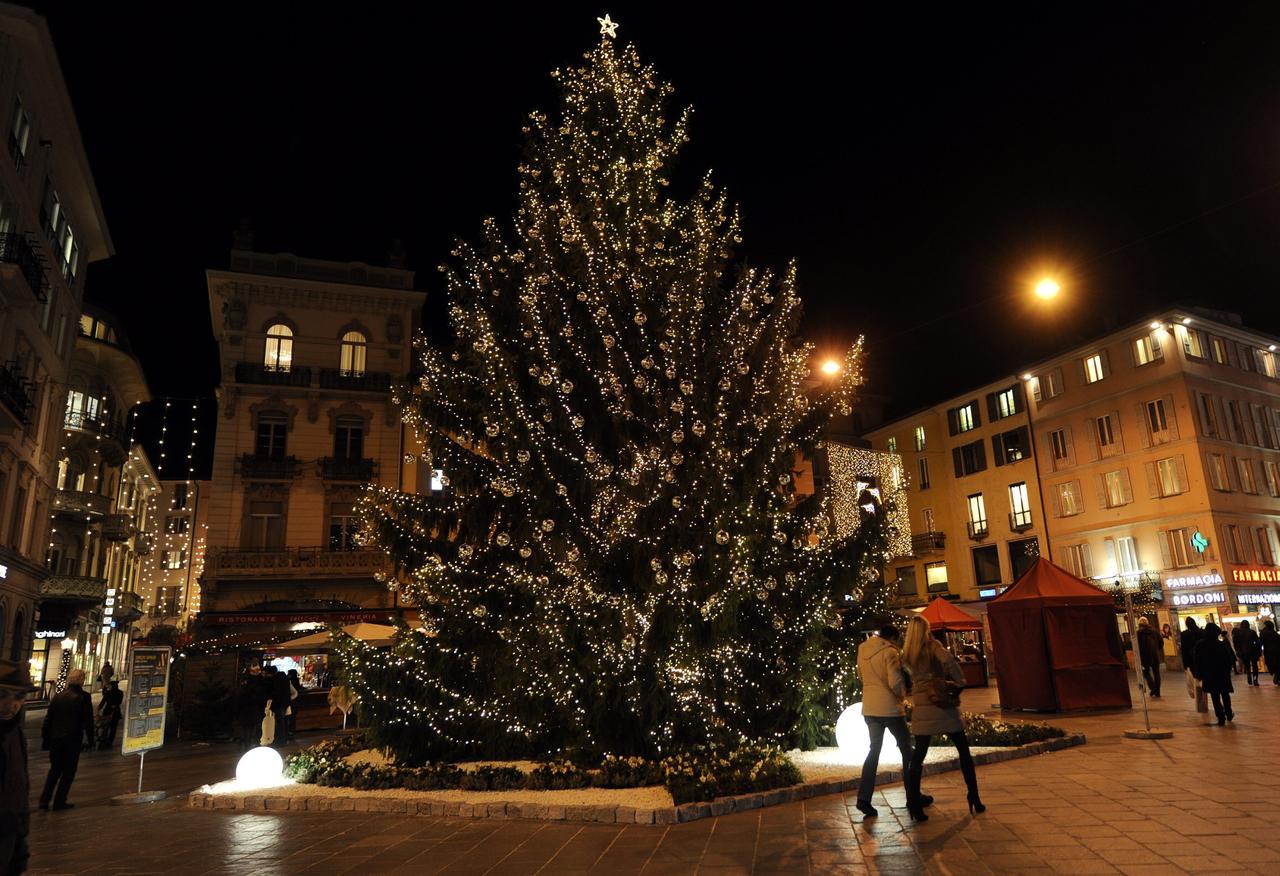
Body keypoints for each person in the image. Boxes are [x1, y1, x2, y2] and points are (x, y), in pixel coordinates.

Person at [902, 615, 982, 822]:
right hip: (940, 703)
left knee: (918, 757)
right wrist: (960, 681)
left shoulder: (908, 652)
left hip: (922, 705)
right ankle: (974, 796)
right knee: (963, 751)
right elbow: (948, 660)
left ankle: (913, 803)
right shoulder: (932, 645)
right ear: (926, 630)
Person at [853, 624, 932, 819]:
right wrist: (903, 696)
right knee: (908, 750)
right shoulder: (890, 652)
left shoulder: (863, 649)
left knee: (874, 751)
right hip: (889, 709)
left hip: (870, 708)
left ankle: (864, 798)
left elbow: (860, 675)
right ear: (893, 638)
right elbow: (895, 683)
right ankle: (913, 796)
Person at [39, 669, 94, 811]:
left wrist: (46, 739)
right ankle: (59, 801)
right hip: (72, 739)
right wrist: (91, 739)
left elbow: (48, 719)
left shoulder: (58, 696)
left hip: (56, 739)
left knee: (55, 770)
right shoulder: (84, 697)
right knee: (68, 772)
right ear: (82, 680)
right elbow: (88, 720)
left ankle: (44, 800)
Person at [0, 661, 36, 874]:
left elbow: (20, 789)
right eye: (2, 695)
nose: (10, 704)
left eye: (19, 697)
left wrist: (20, 845)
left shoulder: (14, 734)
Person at [1195, 622, 1235, 726]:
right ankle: (1229, 713)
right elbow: (1229, 659)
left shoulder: (1200, 645)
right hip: (1222, 673)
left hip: (1209, 674)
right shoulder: (1222, 645)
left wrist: (1199, 674)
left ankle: (1220, 716)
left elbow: (1198, 660)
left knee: (1215, 696)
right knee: (1225, 694)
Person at [234, 665, 269, 751]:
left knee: (245, 729)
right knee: (253, 728)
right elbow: (262, 700)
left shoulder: (243, 691)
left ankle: (245, 744)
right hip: (255, 711)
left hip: (245, 712)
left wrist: (237, 713)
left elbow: (239, 702)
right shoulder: (258, 690)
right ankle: (252, 743)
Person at [265, 666, 292, 748]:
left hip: (278, 704)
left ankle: (280, 741)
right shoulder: (284, 678)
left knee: (279, 723)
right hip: (284, 704)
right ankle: (283, 740)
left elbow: (276, 693)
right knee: (282, 723)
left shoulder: (276, 679)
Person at [1136, 617, 1163, 697]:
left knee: (1146, 672)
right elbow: (1161, 642)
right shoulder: (1154, 631)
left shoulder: (1138, 633)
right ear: (1147, 622)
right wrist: (1157, 649)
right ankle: (1157, 691)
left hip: (1144, 656)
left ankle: (1153, 688)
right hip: (1155, 655)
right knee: (1156, 673)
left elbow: (1136, 645)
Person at [1233, 620, 1261, 686]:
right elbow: (1257, 642)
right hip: (1252, 651)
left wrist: (1237, 650)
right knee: (1254, 666)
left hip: (1243, 652)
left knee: (1247, 666)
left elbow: (1235, 643)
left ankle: (1248, 676)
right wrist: (1258, 651)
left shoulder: (1237, 633)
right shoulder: (1252, 632)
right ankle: (1255, 679)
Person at [97, 681, 124, 748]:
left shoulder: (108, 693)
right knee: (113, 728)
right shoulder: (120, 693)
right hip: (115, 712)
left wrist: (99, 709)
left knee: (106, 727)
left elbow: (103, 702)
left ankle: (104, 740)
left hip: (107, 711)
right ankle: (110, 741)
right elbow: (119, 702)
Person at [1260, 619, 1280, 686]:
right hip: (1277, 651)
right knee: (1277, 664)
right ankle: (1277, 676)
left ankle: (1276, 675)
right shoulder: (1274, 632)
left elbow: (1261, 642)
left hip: (1268, 652)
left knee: (1271, 664)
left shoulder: (1263, 632)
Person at [286, 669, 302, 741]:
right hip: (295, 703)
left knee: (290, 718)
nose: (287, 674)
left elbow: (295, 691)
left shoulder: (290, 681)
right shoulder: (295, 680)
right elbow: (299, 689)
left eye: (288, 673)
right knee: (292, 718)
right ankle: (291, 732)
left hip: (291, 703)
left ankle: (290, 733)